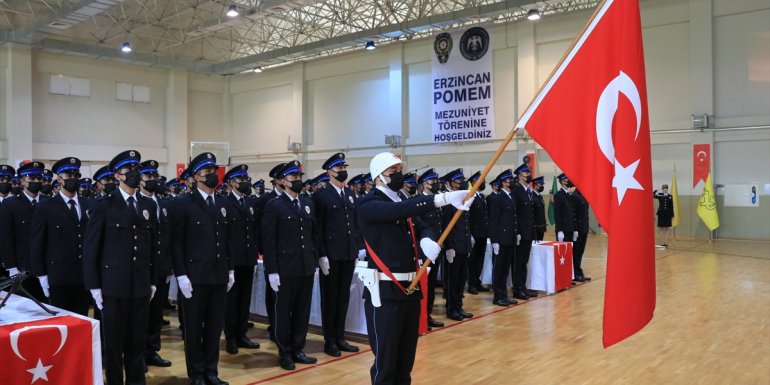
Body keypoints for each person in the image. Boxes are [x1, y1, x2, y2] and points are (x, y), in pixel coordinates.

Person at [357, 152, 473, 385]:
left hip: (410, 288)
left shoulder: (401, 199)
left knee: (405, 361)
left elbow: (423, 226)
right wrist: (441, 199)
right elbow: (397, 212)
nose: (399, 175)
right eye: (394, 172)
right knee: (386, 363)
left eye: (400, 170)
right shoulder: (368, 203)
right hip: (385, 291)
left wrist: (425, 240)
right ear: (379, 177)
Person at [83, 150, 158, 385]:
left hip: (140, 286)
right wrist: (94, 286)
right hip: (113, 287)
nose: (136, 174)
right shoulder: (104, 205)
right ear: (117, 176)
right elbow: (91, 248)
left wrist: (153, 279)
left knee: (137, 342)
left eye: (138, 169)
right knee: (114, 345)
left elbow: (153, 247)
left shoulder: (147, 205)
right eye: (130, 170)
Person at [171, 152, 233, 385]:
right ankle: (196, 374)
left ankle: (211, 371)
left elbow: (226, 240)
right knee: (194, 329)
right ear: (196, 176)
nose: (212, 175)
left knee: (214, 328)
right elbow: (176, 243)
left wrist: (230, 270)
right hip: (194, 277)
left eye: (213, 171)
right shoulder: (183, 204)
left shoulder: (223, 202)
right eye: (207, 172)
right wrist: (181, 275)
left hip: (218, 275)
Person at [261, 160, 319, 370]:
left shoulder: (307, 203)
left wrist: (316, 259)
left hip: (305, 266)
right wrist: (272, 270)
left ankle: (298, 348)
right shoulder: (274, 206)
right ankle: (284, 351)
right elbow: (269, 240)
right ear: (283, 181)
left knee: (302, 311)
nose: (298, 180)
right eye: (293, 177)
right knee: (283, 312)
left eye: (299, 177)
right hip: (285, 268)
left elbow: (313, 235)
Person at [312, 153, 364, 356]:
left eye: (344, 168)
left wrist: (358, 247)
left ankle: (340, 336)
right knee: (330, 298)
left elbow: (355, 224)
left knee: (343, 298)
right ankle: (330, 340)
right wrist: (322, 254)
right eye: (339, 169)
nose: (343, 172)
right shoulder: (321, 196)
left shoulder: (350, 194)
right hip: (331, 256)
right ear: (329, 172)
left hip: (348, 253)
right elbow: (318, 228)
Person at [29, 157, 91, 315]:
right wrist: (41, 274)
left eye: (75, 175)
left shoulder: (88, 204)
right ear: (59, 179)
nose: (73, 179)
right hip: (58, 276)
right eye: (68, 176)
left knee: (82, 320)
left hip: (84, 276)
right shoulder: (46, 206)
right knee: (62, 322)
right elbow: (37, 243)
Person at [136, 160, 174, 370]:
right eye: (148, 177)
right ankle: (138, 353)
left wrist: (168, 267)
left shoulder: (164, 203)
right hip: (143, 268)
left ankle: (152, 350)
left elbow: (167, 237)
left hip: (160, 267)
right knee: (141, 314)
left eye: (154, 177)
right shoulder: (137, 203)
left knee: (156, 313)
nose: (153, 180)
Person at [223, 164, 261, 355]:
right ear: (231, 183)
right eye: (241, 180)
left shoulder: (251, 202)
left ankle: (242, 333)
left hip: (248, 258)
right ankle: (230, 337)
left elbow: (253, 231)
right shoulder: (225, 203)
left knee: (245, 298)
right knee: (232, 300)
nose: (245, 183)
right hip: (233, 260)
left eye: (247, 179)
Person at [0, 161, 48, 301]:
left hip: (46, 265)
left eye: (39, 178)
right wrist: (11, 266)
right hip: (23, 268)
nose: (36, 181)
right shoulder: (10, 205)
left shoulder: (48, 202)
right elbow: (6, 238)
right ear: (22, 181)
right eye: (31, 178)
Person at [255, 162, 286, 343]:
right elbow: (261, 230)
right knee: (273, 293)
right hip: (272, 254)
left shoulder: (298, 198)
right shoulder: (265, 201)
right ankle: (274, 325)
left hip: (290, 257)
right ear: (276, 180)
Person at [440, 168, 474, 321]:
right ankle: (451, 308)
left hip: (463, 245)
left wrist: (468, 240)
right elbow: (446, 227)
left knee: (461, 278)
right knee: (452, 279)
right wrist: (449, 247)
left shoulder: (462, 199)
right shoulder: (447, 201)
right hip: (453, 247)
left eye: (461, 180)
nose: (461, 183)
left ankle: (459, 306)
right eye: (457, 181)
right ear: (449, 184)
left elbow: (465, 223)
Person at [415, 168, 444, 330]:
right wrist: (420, 253)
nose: (435, 184)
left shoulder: (435, 201)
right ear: (425, 184)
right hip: (425, 251)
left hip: (436, 249)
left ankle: (428, 314)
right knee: (424, 286)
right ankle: (422, 316)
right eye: (432, 181)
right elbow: (420, 228)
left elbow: (440, 226)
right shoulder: (419, 201)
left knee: (432, 285)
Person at [487, 169, 518, 307]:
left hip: (509, 238)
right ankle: (497, 296)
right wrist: (494, 241)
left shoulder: (510, 197)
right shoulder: (497, 198)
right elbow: (493, 221)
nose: (512, 182)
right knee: (498, 269)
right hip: (500, 239)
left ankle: (504, 294)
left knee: (506, 269)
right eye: (509, 180)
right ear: (504, 183)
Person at [511, 164, 537, 300]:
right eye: (526, 173)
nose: (529, 175)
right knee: (518, 262)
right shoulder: (516, 191)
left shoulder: (528, 191)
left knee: (524, 261)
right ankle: (517, 289)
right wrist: (517, 232)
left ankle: (523, 287)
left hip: (528, 232)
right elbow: (514, 213)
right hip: (521, 233)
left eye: (529, 172)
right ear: (520, 175)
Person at [466, 171, 489, 294]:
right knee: (473, 260)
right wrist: (469, 234)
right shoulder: (470, 196)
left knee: (480, 259)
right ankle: (471, 284)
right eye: (481, 180)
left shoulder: (482, 196)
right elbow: (468, 217)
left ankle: (477, 281)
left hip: (483, 233)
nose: (483, 182)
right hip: (474, 233)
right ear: (474, 182)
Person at [571, 188, 592, 282]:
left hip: (584, 228)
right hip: (578, 229)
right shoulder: (575, 196)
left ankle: (579, 271)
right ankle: (575, 273)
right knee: (576, 252)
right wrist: (575, 229)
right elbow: (573, 214)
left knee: (580, 252)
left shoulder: (583, 195)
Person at [653, 184, 674, 249]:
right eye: (664, 188)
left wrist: (672, 215)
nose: (665, 189)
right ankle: (661, 243)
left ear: (667, 189)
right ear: (662, 189)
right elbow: (652, 195)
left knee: (667, 229)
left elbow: (671, 206)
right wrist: (655, 190)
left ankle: (666, 242)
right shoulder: (660, 195)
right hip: (661, 214)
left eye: (666, 188)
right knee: (661, 229)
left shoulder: (670, 196)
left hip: (668, 214)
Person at [531, 176, 547, 241]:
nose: (542, 186)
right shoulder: (532, 196)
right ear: (535, 185)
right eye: (540, 184)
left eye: (542, 184)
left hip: (541, 227)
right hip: (535, 228)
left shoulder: (540, 197)